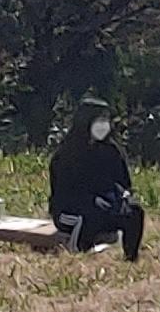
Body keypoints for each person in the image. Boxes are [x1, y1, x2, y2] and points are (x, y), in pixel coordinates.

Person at [47, 101, 144, 261]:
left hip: (106, 205)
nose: (103, 125)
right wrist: (95, 200)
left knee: (134, 211)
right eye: (99, 120)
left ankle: (130, 259)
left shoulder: (111, 150)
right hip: (70, 210)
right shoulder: (66, 153)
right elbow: (63, 193)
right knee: (89, 213)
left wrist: (122, 198)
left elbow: (124, 183)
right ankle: (79, 254)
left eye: (106, 120)